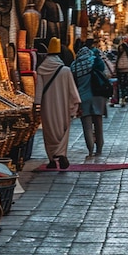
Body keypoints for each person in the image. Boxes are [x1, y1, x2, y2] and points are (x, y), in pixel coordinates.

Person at [33, 37, 81, 169]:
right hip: (63, 107)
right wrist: (76, 104)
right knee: (62, 130)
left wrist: (36, 105)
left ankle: (52, 159)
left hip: (47, 107)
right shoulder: (65, 71)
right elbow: (73, 91)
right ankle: (61, 154)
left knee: (49, 132)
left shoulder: (42, 69)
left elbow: (39, 91)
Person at [71, 40, 106, 158]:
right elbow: (103, 70)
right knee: (98, 125)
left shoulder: (74, 66)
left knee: (87, 127)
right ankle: (99, 150)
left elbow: (73, 84)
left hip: (83, 98)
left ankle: (90, 150)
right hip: (98, 97)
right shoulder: (95, 61)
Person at [115, 38, 128, 107]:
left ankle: (123, 96)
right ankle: (125, 96)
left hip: (120, 69)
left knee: (122, 84)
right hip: (126, 69)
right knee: (126, 83)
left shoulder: (119, 54)